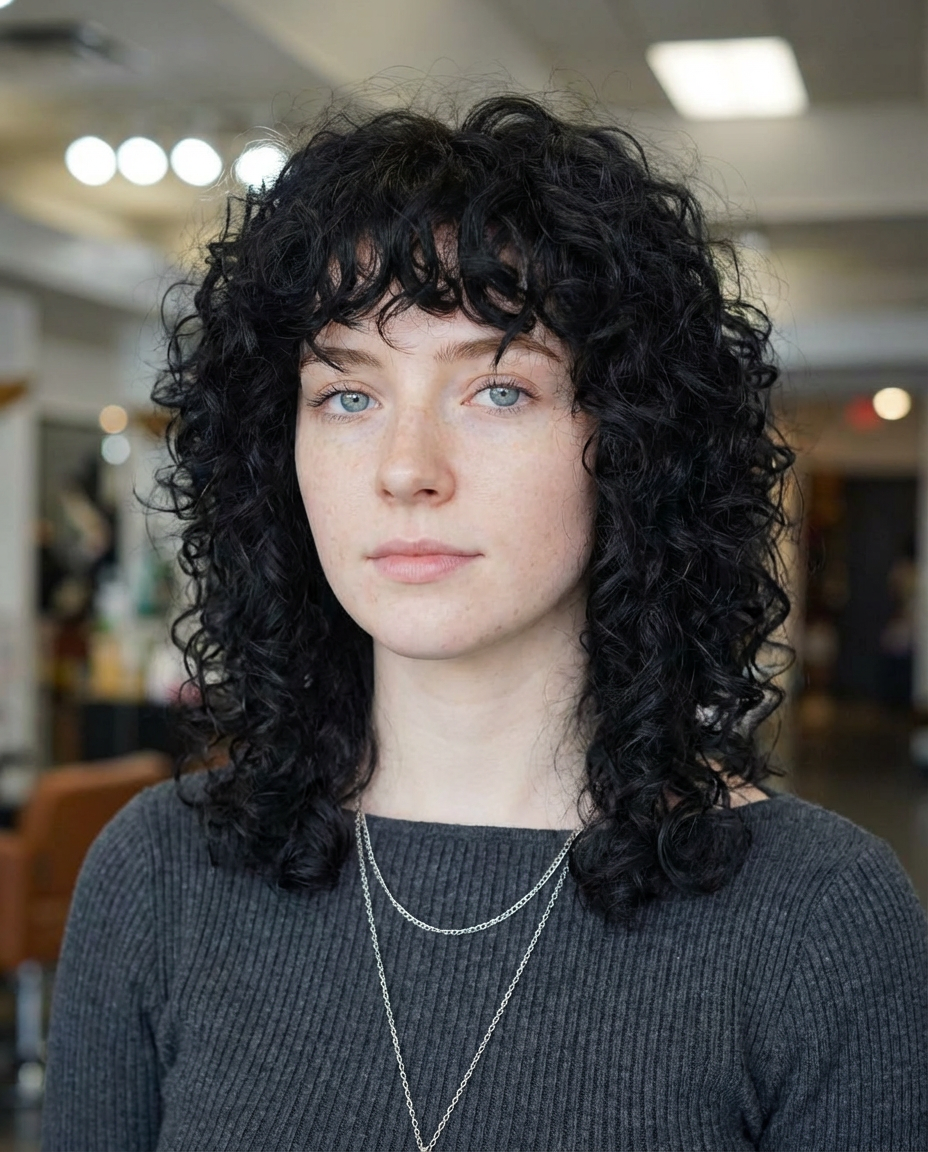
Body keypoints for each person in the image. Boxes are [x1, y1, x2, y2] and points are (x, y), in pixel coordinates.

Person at [42, 94, 926, 1152]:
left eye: (499, 390)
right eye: (348, 396)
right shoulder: (158, 876)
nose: (407, 469)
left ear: (633, 444)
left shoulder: (818, 918)